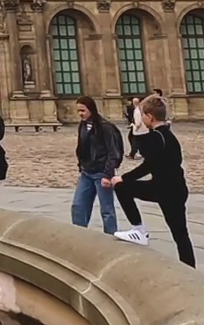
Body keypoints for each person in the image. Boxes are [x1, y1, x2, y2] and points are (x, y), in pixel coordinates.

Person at [105, 95, 195, 267]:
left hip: (164, 189)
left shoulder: (156, 137)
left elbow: (148, 165)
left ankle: (138, 230)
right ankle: (190, 268)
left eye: (142, 115)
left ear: (149, 116)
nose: (141, 119)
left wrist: (123, 177)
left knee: (122, 187)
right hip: (176, 188)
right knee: (180, 234)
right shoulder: (167, 135)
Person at [70, 95, 123, 234]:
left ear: (91, 109)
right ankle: (79, 234)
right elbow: (82, 147)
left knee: (107, 209)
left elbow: (113, 152)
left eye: (83, 110)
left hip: (101, 172)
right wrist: (81, 164)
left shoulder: (105, 127)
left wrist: (107, 174)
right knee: (78, 206)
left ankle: (110, 236)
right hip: (86, 171)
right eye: (78, 111)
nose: (80, 114)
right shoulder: (82, 125)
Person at [127, 96, 149, 160]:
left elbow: (138, 122)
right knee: (141, 142)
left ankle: (133, 154)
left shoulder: (137, 111)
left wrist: (135, 127)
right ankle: (140, 153)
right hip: (144, 129)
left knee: (135, 142)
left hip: (139, 130)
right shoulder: (141, 109)